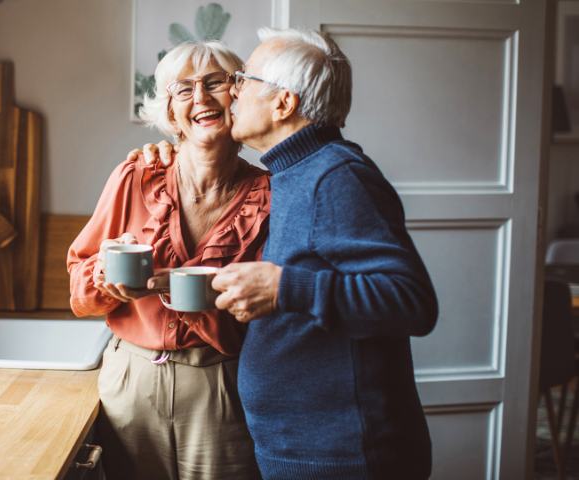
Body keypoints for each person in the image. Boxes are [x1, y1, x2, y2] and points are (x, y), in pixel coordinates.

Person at [132, 28, 439, 479]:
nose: (232, 91)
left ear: (283, 103)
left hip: (343, 458)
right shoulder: (293, 172)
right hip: (306, 449)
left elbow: (412, 302)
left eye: (244, 80)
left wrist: (283, 288)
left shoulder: (336, 176)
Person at [67, 41, 270, 479]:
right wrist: (105, 279)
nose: (200, 98)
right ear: (171, 112)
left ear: (238, 96)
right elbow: (78, 290)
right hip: (132, 380)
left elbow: (274, 310)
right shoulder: (134, 176)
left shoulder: (271, 197)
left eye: (215, 83)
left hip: (221, 383)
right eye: (184, 89)